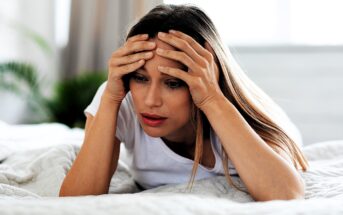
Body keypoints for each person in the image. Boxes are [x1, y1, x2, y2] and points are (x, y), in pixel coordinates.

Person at [59, 4, 308, 201]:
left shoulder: (238, 109)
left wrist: (211, 98)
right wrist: (111, 98)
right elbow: (75, 200)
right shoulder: (120, 98)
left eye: (173, 83)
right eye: (140, 78)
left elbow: (286, 195)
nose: (150, 100)